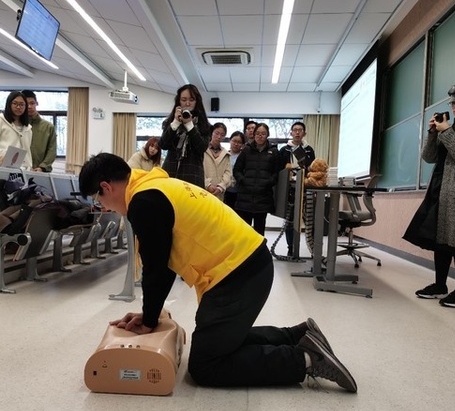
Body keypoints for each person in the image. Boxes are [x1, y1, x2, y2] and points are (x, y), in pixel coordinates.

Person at [78, 152, 357, 392]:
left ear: (106, 187)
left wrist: (149, 320)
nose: (103, 207)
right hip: (246, 265)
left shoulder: (144, 201)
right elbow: (163, 265)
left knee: (206, 365)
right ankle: (299, 335)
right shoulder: (155, 186)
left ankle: (305, 360)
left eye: (98, 199)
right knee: (219, 342)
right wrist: (149, 314)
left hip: (238, 274)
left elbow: (157, 269)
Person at [403, 81, 455, 308]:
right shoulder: (448, 126)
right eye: (453, 102)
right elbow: (428, 157)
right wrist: (432, 133)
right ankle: (440, 285)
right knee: (439, 238)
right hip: (439, 186)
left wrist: (446, 131)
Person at [232, 123, 280, 236]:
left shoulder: (273, 152)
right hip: (245, 196)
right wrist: (243, 180)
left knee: (259, 232)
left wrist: (269, 182)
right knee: (244, 232)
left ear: (267, 135)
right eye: (257, 133)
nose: (260, 136)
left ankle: (259, 248)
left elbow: (277, 173)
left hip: (263, 197)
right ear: (254, 135)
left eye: (263, 133)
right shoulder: (246, 150)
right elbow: (237, 170)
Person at [159, 84, 211, 188]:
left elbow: (201, 148)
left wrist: (189, 125)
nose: (187, 103)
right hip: (170, 174)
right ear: (178, 101)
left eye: (191, 100)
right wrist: (175, 123)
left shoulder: (205, 126)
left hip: (193, 176)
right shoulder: (170, 122)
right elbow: (163, 144)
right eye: (183, 100)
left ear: (197, 102)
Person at [278, 121, 316, 256]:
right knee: (290, 220)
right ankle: (291, 248)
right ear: (291, 133)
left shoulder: (309, 150)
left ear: (304, 133)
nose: (297, 132)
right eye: (295, 130)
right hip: (290, 190)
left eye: (300, 130)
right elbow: (279, 169)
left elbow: (313, 169)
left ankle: (313, 249)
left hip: (306, 189)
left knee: (309, 220)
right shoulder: (284, 150)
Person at [0, 91, 33, 170]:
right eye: (15, 103)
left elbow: (27, 152)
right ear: (9, 104)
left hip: (22, 170)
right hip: (0, 168)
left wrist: (29, 167)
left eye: (22, 104)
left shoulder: (27, 128)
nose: (18, 107)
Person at [21, 90, 57, 172]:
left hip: (41, 171)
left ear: (37, 103)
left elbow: (52, 150)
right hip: (21, 170)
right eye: (26, 104)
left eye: (32, 103)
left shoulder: (48, 127)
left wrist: (42, 167)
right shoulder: (18, 125)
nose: (29, 107)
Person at [203, 122, 232, 201]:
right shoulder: (202, 150)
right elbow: (198, 170)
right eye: (217, 133)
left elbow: (228, 173)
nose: (219, 137)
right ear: (211, 133)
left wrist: (221, 187)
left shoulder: (226, 154)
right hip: (203, 190)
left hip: (219, 193)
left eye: (222, 135)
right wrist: (207, 184)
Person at [223, 130, 245, 210]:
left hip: (239, 192)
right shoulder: (224, 155)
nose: (236, 144)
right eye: (234, 141)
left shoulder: (244, 157)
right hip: (224, 190)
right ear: (230, 140)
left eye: (239, 142)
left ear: (242, 144)